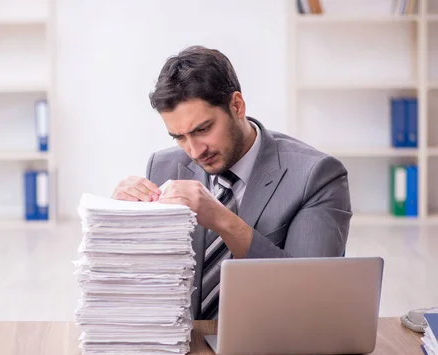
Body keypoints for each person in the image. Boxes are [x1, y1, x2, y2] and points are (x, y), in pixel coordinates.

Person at [112, 45, 352, 320]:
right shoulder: (164, 166)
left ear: (236, 106)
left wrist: (222, 220)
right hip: (183, 344)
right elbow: (148, 282)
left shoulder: (317, 175)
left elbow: (312, 293)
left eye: (203, 129)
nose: (194, 150)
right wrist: (119, 223)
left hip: (274, 344)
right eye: (178, 137)